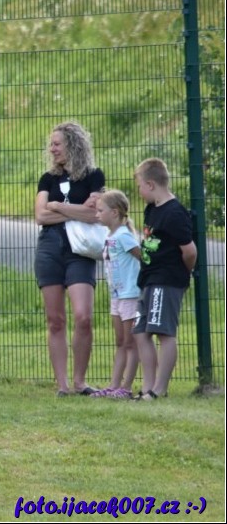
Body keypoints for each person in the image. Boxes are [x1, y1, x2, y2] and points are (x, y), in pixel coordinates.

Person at [34, 121, 105, 396]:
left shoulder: (94, 176)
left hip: (81, 251)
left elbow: (96, 215)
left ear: (73, 145)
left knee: (83, 316)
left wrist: (58, 206)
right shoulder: (47, 179)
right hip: (50, 248)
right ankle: (62, 384)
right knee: (55, 319)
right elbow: (41, 216)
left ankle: (80, 381)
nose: (52, 149)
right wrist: (75, 209)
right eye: (51, 144)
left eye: (57, 144)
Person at [132, 158, 197, 400]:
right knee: (140, 331)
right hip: (148, 279)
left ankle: (160, 389)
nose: (138, 191)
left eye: (139, 186)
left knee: (164, 332)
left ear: (150, 184)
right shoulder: (152, 209)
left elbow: (190, 251)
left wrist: (183, 273)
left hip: (166, 280)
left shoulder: (174, 213)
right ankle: (148, 386)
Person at [90, 189, 141, 399]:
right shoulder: (110, 236)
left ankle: (126, 387)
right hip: (116, 296)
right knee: (120, 341)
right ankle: (113, 386)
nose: (96, 215)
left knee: (130, 343)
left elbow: (142, 257)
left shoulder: (124, 236)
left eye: (100, 210)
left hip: (129, 294)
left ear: (115, 212)